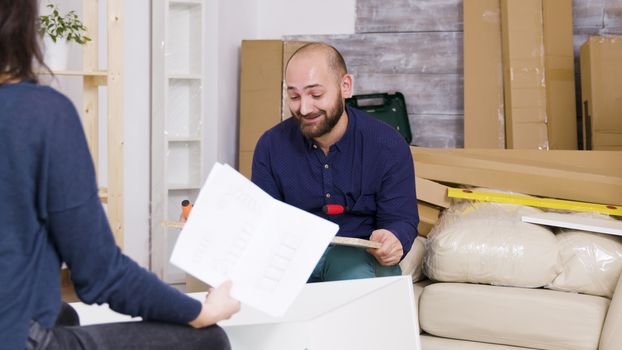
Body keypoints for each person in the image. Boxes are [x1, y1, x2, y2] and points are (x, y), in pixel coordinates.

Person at [0, 1, 240, 349]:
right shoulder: (40, 113)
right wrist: (199, 310)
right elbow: (99, 274)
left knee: (64, 316)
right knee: (209, 340)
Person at [252, 42, 419, 282]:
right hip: (293, 257)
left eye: (316, 94)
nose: (305, 108)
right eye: (294, 96)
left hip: (360, 256)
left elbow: (401, 218)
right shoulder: (270, 146)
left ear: (345, 86)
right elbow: (264, 222)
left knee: (355, 275)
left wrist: (393, 238)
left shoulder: (388, 145)